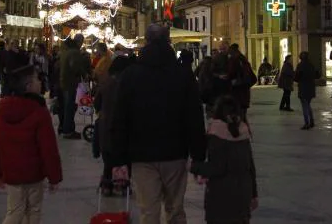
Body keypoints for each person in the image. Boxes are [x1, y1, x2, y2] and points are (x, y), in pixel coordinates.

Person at [111, 24, 206, 224]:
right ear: (169, 41)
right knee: (175, 210)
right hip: (175, 154)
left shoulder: (130, 75)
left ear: (145, 41)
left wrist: (118, 159)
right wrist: (198, 156)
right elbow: (194, 118)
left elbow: (119, 118)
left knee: (148, 212)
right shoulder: (183, 75)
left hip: (141, 155)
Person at [0, 65, 63, 224]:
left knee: (15, 211)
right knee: (33, 210)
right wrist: (54, 176)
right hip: (33, 174)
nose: (40, 82)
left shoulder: (4, 109)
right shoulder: (39, 111)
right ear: (28, 86)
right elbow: (48, 148)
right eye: (37, 79)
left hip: (11, 172)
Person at [191, 95, 258, 224]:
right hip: (243, 195)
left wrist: (193, 166)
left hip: (221, 198)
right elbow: (251, 167)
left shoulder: (216, 135)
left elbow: (217, 167)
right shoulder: (243, 133)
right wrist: (254, 194)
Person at [95, 54, 136, 195]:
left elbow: (97, 104)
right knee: (124, 159)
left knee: (108, 160)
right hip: (122, 128)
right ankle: (122, 184)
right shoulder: (127, 84)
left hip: (105, 127)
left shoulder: (106, 83)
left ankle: (107, 185)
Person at [58, 34, 90, 139]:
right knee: (70, 107)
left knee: (66, 106)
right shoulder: (74, 52)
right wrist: (84, 74)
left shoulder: (65, 50)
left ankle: (65, 128)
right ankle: (68, 131)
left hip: (63, 81)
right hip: (70, 82)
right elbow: (74, 66)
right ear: (80, 42)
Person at [294, 51, 318, 130]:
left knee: (305, 106)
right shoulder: (311, 65)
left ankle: (307, 123)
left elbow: (297, 77)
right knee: (308, 104)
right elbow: (317, 74)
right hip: (311, 87)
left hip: (303, 87)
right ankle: (311, 121)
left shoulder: (300, 66)